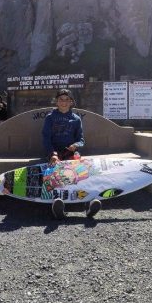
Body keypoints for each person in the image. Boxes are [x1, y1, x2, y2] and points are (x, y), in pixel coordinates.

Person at [41, 88, 101, 219]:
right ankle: (58, 204)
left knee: (83, 172)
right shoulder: (50, 118)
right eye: (61, 100)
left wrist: (76, 145)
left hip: (71, 153)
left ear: (71, 102)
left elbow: (81, 140)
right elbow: (46, 138)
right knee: (57, 172)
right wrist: (53, 154)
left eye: (66, 100)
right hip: (55, 153)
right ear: (56, 102)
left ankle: (89, 205)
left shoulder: (76, 119)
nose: (64, 102)